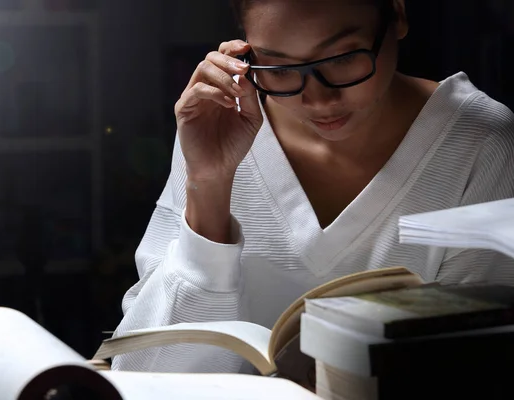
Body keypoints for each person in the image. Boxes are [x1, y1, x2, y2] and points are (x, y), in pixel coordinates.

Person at [111, 0, 514, 373]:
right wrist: (209, 183)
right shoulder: (217, 128)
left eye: (342, 59)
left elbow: (475, 367)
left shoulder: (478, 144)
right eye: (280, 68)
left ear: (397, 15)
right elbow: (145, 369)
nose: (318, 99)